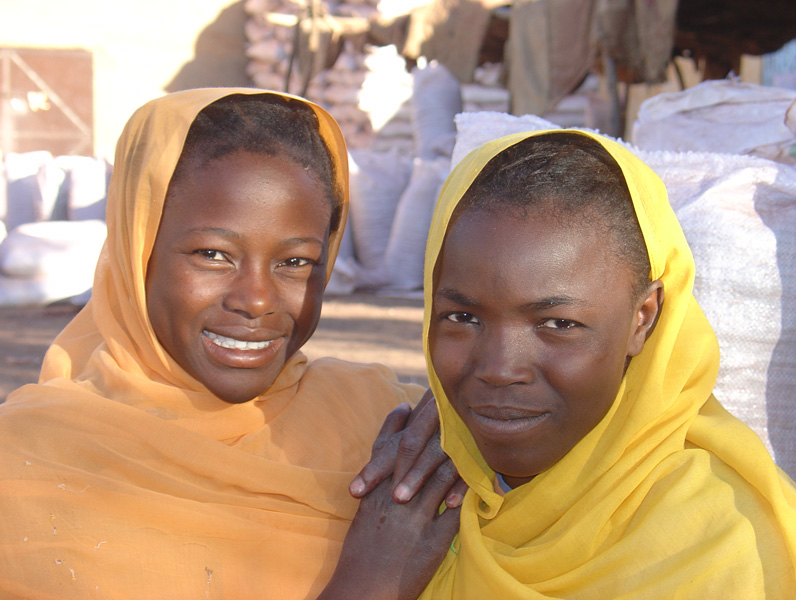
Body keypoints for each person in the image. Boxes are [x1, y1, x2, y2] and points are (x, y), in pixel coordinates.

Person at [0, 88, 459, 599]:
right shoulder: (26, 458)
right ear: (138, 250)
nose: (257, 300)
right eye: (213, 255)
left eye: (295, 262)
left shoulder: (391, 428)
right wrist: (368, 585)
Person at [404, 129, 796, 598]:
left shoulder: (722, 545)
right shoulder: (410, 508)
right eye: (462, 317)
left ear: (643, 317)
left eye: (558, 324)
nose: (499, 368)